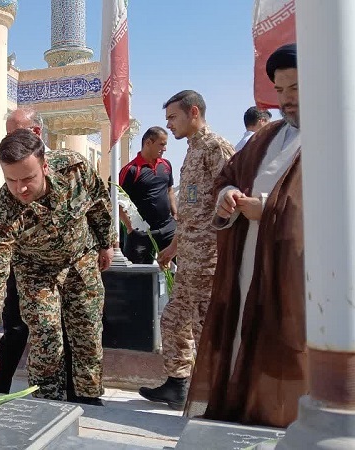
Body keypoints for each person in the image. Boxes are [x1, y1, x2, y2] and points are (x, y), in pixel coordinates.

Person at [185, 44, 306, 428]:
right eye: (281, 91)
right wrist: (227, 198)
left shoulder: (340, 135)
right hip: (247, 259)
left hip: (297, 271)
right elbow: (228, 177)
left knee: (285, 348)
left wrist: (268, 210)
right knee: (241, 338)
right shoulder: (268, 135)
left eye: (296, 89)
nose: (287, 100)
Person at [0, 129, 115, 404]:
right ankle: (45, 403)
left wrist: (105, 242)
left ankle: (87, 398)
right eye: (11, 180)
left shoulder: (75, 168)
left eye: (28, 178)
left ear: (45, 166)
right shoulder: (3, 211)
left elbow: (98, 202)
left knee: (87, 331)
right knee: (46, 337)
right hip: (35, 270)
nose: (20, 188)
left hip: (80, 258)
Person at [138, 90, 235, 410]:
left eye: (173, 118)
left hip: (209, 259)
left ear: (193, 112)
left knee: (206, 325)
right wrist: (173, 247)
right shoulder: (192, 151)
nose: (169, 125)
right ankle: (177, 384)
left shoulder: (214, 148)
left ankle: (217, 391)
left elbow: (232, 201)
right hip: (190, 256)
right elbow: (193, 210)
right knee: (174, 319)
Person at [118, 126, 177, 264]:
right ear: (148, 143)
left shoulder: (166, 165)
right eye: (161, 144)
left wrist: (175, 215)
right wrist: (130, 228)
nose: (165, 149)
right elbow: (118, 201)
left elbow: (170, 190)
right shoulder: (131, 170)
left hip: (168, 228)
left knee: (179, 271)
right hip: (142, 233)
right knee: (138, 275)